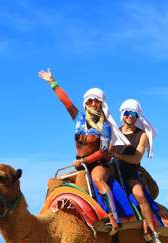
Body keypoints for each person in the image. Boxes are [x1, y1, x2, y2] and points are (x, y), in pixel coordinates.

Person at [38, 69, 128, 232]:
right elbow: (66, 101)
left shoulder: (105, 126)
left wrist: (84, 161)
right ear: (85, 102)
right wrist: (52, 82)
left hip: (97, 163)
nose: (93, 104)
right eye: (90, 101)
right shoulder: (78, 119)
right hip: (79, 164)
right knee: (55, 183)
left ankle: (113, 216)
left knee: (98, 179)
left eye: (96, 101)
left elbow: (103, 151)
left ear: (101, 103)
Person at [111, 98, 162, 243]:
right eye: (127, 112)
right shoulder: (114, 132)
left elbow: (136, 159)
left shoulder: (142, 135)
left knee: (140, 194)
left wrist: (115, 154)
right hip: (113, 171)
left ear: (138, 116)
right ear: (122, 115)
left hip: (131, 173)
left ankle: (154, 235)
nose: (130, 116)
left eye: (133, 113)